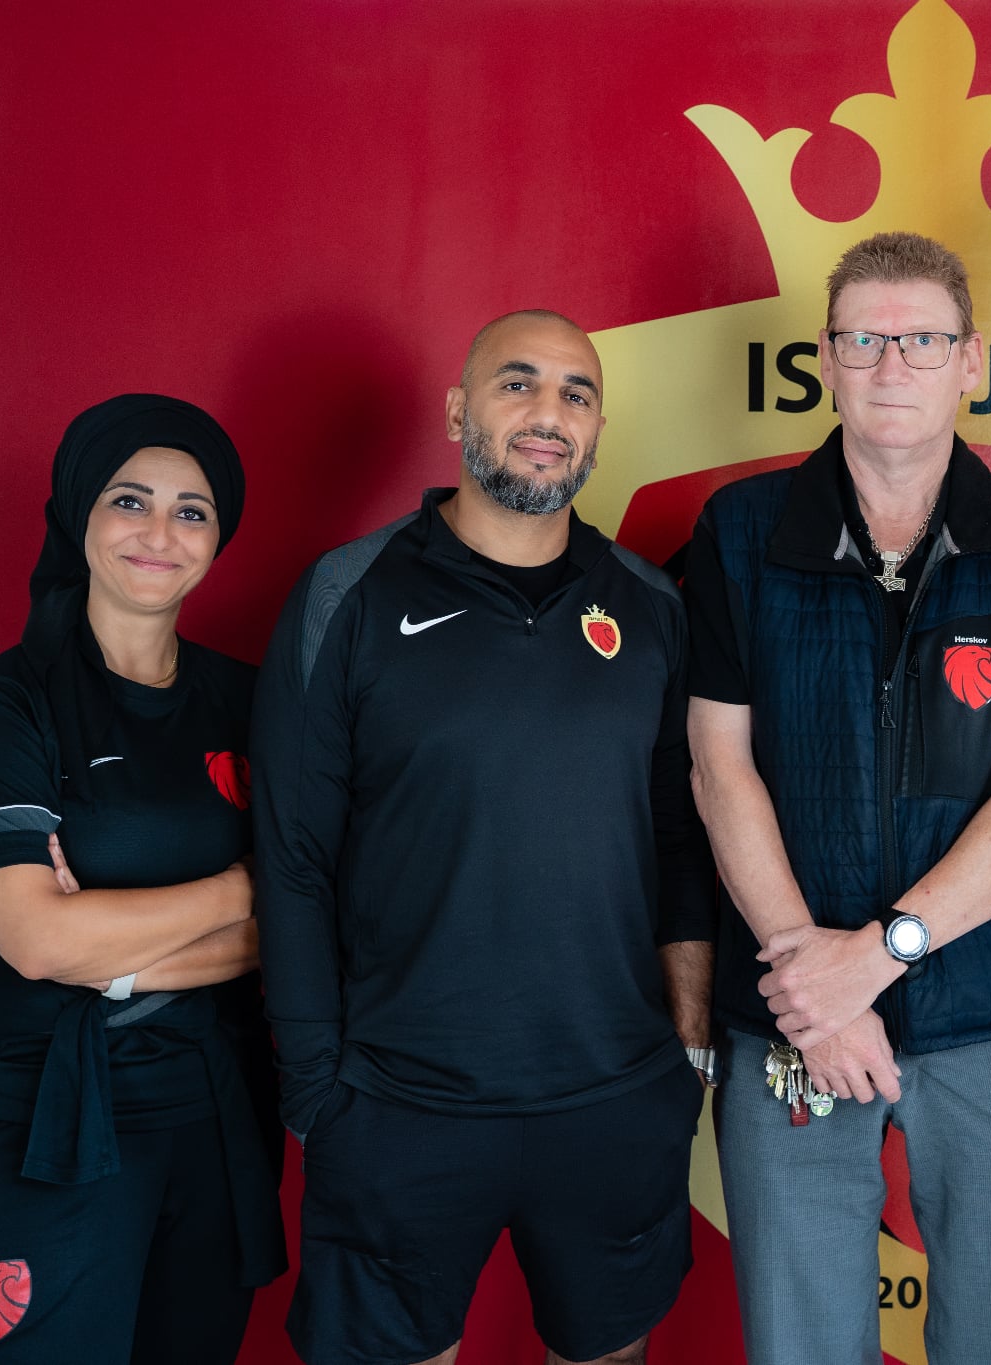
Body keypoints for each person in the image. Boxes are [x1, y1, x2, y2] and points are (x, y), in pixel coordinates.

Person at [252, 310, 716, 1365]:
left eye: (576, 394)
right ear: (459, 411)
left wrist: (683, 1052)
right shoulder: (348, 594)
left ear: (596, 433)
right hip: (400, 1102)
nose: (549, 413)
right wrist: (318, 1089)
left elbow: (680, 836)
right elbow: (291, 856)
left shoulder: (649, 605)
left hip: (613, 1097)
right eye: (518, 384)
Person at [681, 231, 991, 1365]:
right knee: (800, 1344)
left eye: (920, 341)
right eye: (864, 340)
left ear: (970, 361)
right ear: (825, 359)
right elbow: (718, 768)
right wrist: (813, 986)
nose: (890, 365)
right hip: (792, 1014)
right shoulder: (739, 531)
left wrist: (877, 955)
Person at [0, 395, 284, 1364]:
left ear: (217, 538)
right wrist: (243, 888)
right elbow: (39, 940)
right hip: (35, 1107)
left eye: (191, 510)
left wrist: (108, 953)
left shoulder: (253, 701)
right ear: (80, 512)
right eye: (129, 500)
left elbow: (311, 925)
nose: (159, 532)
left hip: (211, 1107)